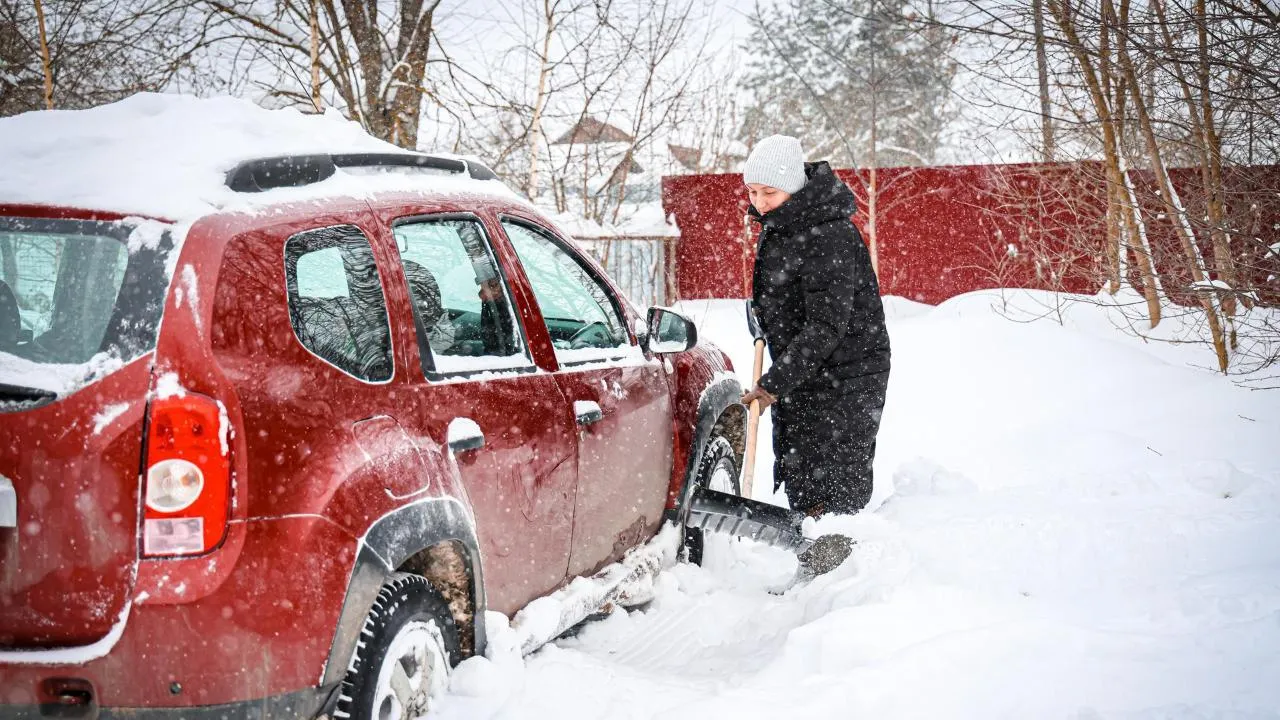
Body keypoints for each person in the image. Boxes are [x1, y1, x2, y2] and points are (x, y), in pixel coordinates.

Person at [737, 134, 891, 517]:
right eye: (753, 192)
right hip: (805, 367)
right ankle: (810, 544)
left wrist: (773, 384)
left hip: (849, 372)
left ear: (793, 187)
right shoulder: (781, 224)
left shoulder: (830, 235)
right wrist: (764, 316)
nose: (759, 202)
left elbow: (825, 324)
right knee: (801, 467)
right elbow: (788, 293)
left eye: (769, 192)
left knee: (835, 477)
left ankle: (840, 548)